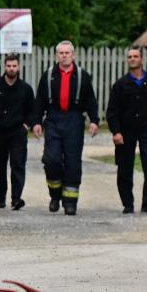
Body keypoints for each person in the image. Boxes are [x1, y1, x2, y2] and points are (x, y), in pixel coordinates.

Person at [31, 41, 99, 215]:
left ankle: (70, 202)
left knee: (72, 163)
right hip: (53, 119)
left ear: (73, 55)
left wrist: (94, 120)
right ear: (56, 56)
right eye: (61, 53)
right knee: (51, 160)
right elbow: (39, 101)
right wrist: (36, 122)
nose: (64, 55)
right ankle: (55, 195)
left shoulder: (83, 76)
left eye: (67, 53)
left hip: (74, 120)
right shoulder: (48, 76)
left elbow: (91, 100)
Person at [106, 46, 147, 214]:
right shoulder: (120, 85)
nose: (132, 59)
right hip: (126, 131)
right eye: (129, 57)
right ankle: (128, 203)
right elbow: (112, 111)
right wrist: (116, 131)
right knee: (125, 167)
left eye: (135, 56)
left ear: (142, 59)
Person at [0, 55, 34, 210]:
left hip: (17, 132)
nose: (11, 68)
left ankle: (16, 198)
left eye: (14, 66)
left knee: (18, 164)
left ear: (19, 67)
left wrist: (26, 125)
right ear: (5, 67)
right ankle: (0, 197)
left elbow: (32, 110)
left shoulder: (25, 88)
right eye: (9, 66)